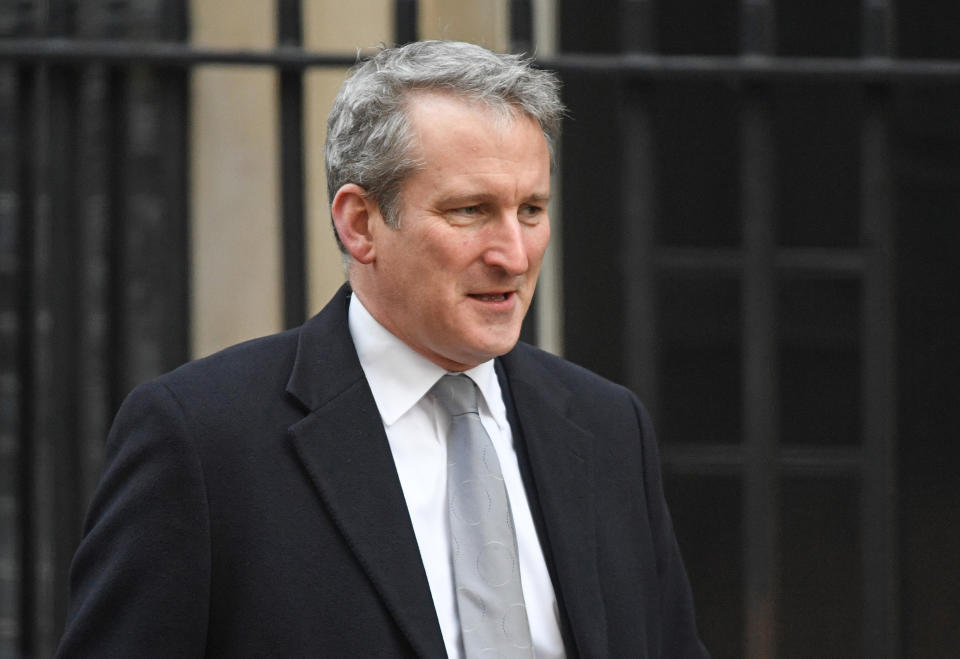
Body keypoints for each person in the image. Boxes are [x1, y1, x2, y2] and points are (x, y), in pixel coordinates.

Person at [57, 40, 708, 658]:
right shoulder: (202, 442)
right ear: (360, 223)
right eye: (470, 211)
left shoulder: (608, 426)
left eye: (531, 209)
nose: (514, 253)